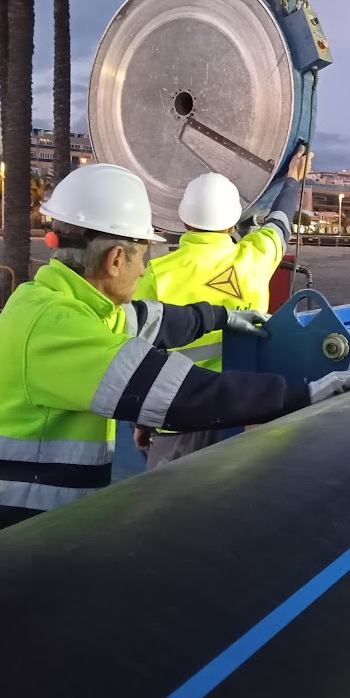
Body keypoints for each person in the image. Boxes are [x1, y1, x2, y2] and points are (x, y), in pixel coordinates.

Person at [0, 163, 350, 552]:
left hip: (33, 526)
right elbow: (179, 394)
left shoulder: (59, 302)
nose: (144, 267)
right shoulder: (58, 328)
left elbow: (151, 319)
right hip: (0, 539)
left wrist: (220, 316)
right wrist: (302, 395)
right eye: (142, 256)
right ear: (116, 259)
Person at [131, 145, 310, 467]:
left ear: (185, 221)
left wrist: (142, 420)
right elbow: (281, 221)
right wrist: (293, 179)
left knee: (169, 496)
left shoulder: (158, 273)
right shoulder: (256, 255)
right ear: (231, 224)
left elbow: (140, 351)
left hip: (179, 415)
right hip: (243, 407)